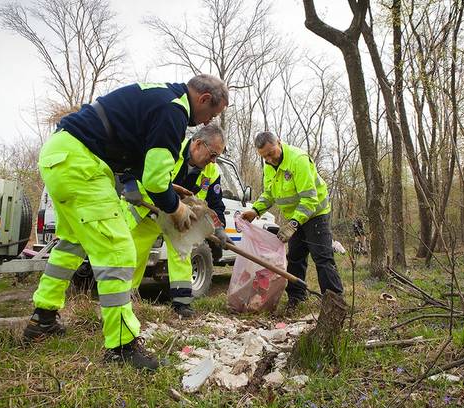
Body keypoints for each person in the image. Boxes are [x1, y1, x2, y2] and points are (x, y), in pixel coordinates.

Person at [23, 75, 229, 371]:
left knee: (71, 246)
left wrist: (147, 184)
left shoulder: (159, 96)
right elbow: (157, 182)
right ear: (204, 99)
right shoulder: (174, 110)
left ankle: (42, 318)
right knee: (119, 251)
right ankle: (121, 346)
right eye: (211, 114)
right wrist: (177, 209)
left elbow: (133, 150)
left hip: (59, 155)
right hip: (82, 163)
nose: (205, 121)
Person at [122, 124, 231, 318]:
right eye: (213, 154)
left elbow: (215, 202)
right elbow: (134, 161)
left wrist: (219, 228)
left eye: (217, 157)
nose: (213, 161)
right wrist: (130, 184)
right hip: (148, 212)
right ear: (198, 144)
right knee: (134, 254)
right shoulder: (168, 146)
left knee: (182, 254)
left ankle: (182, 303)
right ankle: (125, 300)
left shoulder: (211, 172)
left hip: (179, 216)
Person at [241, 131, 344, 313]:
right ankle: (296, 298)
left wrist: (293, 225)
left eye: (271, 153)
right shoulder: (268, 166)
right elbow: (270, 194)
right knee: (295, 258)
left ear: (279, 143)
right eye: (264, 157)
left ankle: (334, 302)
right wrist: (255, 210)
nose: (270, 159)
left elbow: (310, 199)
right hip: (295, 217)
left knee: (322, 257)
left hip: (315, 214)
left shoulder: (298, 160)